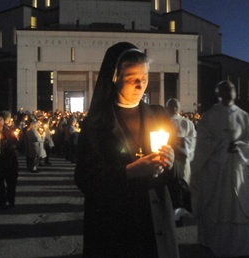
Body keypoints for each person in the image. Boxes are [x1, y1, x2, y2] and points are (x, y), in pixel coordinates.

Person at [74, 42, 180, 257]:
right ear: (115, 78)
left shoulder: (159, 115)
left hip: (153, 217)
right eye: (132, 79)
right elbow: (85, 178)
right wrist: (130, 171)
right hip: (114, 222)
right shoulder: (97, 123)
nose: (141, 86)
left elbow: (174, 173)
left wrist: (170, 162)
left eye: (145, 78)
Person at [190, 80, 249, 257]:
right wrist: (222, 146)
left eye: (231, 89)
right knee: (216, 206)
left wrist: (240, 146)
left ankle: (238, 247)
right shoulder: (210, 116)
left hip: (236, 169)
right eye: (224, 90)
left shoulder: (243, 116)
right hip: (216, 170)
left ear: (235, 93)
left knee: (236, 207)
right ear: (218, 93)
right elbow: (202, 142)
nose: (229, 93)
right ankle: (214, 245)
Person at [165, 98, 197, 227]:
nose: (173, 109)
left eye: (175, 106)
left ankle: (179, 215)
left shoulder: (186, 123)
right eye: (171, 106)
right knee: (170, 187)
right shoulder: (161, 121)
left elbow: (193, 139)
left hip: (182, 159)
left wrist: (182, 142)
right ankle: (168, 213)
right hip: (167, 158)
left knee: (181, 187)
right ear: (167, 107)